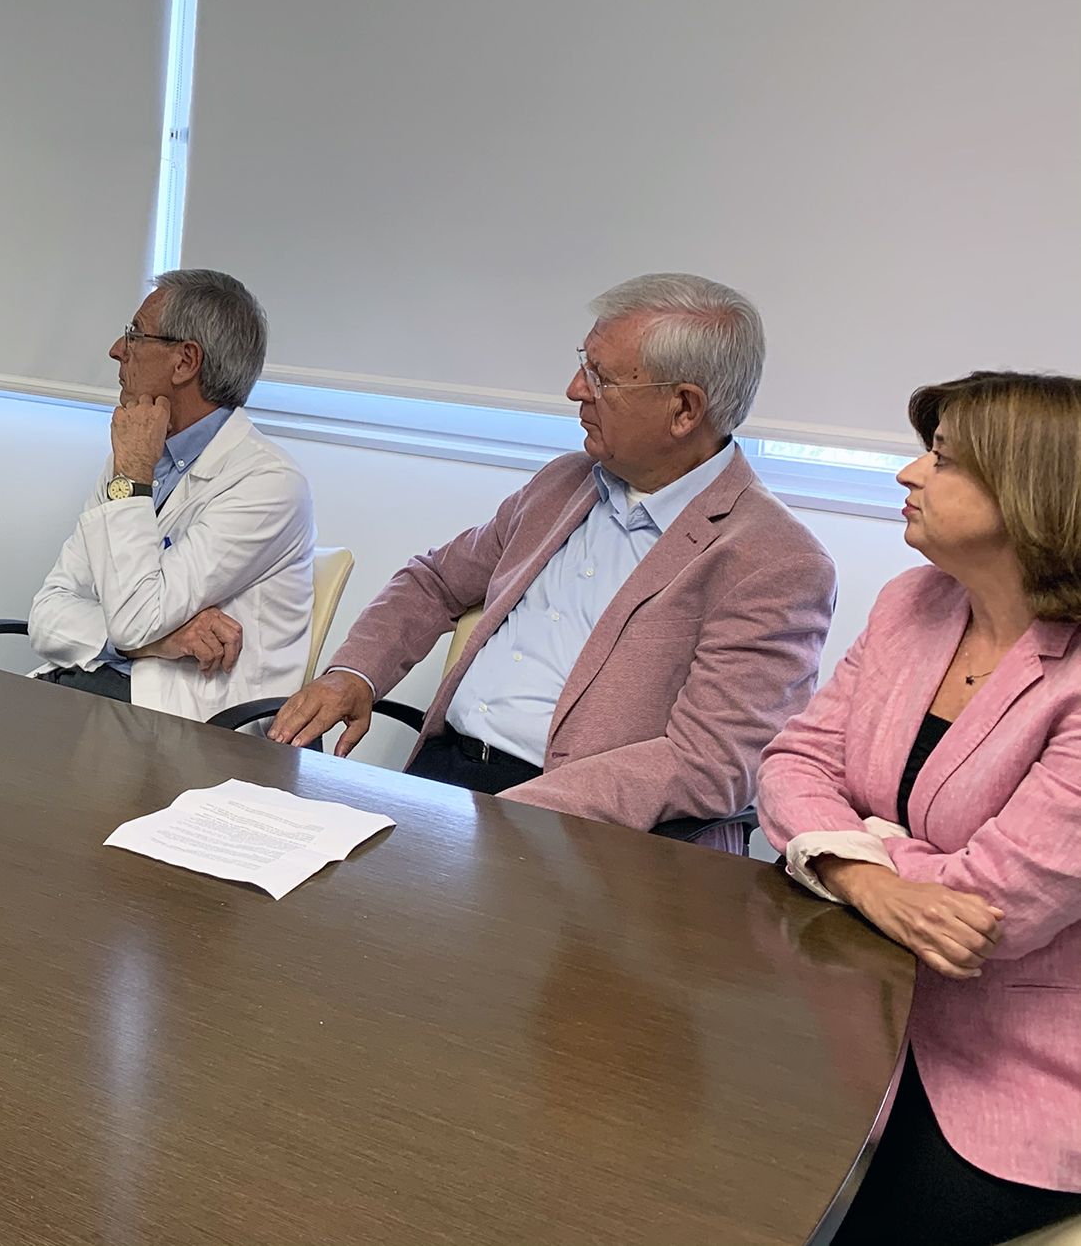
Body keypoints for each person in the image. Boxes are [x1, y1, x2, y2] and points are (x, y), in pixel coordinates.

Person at [267, 273, 835, 850]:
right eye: (583, 364)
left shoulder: (774, 561)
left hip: (589, 833)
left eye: (601, 377)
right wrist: (353, 675)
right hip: (447, 782)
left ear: (684, 409)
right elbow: (434, 581)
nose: (574, 389)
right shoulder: (563, 483)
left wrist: (511, 813)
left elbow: (710, 762)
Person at [759, 373, 1081, 1246]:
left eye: (941, 459)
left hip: (1018, 1065)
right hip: (851, 996)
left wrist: (844, 843)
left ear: (1031, 491)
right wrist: (870, 874)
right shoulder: (912, 602)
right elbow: (791, 763)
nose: (908, 473)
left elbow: (989, 911)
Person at [27, 269, 313, 721]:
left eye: (135, 334)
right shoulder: (135, 457)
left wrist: (133, 477)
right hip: (93, 691)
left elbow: (135, 619)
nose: (117, 349)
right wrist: (159, 641)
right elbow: (46, 615)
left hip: (181, 725)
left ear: (185, 362)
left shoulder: (268, 483)